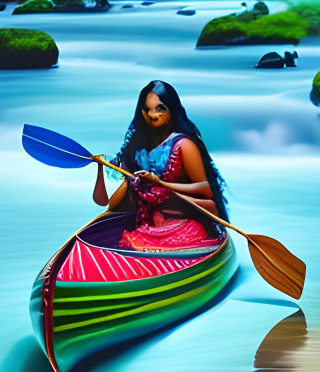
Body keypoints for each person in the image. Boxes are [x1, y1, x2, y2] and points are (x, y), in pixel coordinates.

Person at [92, 81, 228, 251]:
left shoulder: (183, 145)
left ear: (171, 109)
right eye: (147, 109)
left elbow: (207, 189)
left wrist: (161, 184)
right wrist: (100, 168)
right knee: (132, 240)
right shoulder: (137, 148)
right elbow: (109, 204)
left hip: (185, 225)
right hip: (147, 226)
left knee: (138, 243)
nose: (153, 114)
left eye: (160, 108)